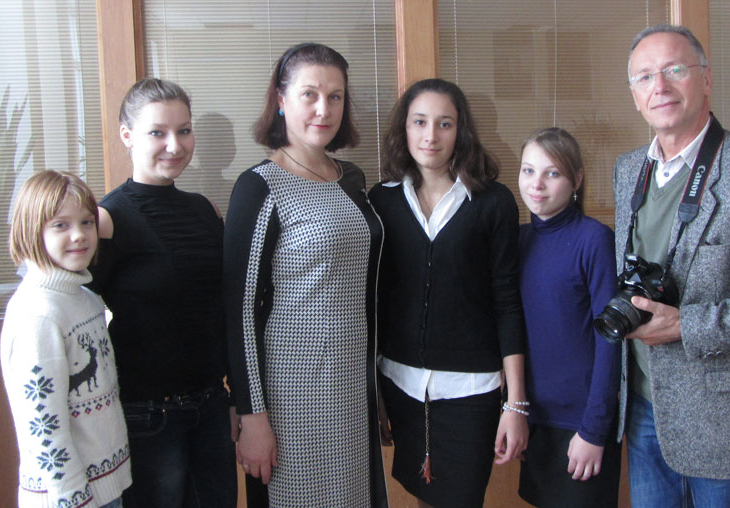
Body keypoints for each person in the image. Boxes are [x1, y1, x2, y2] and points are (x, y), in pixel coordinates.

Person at [613, 24, 730, 507]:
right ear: (634, 96)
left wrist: (686, 325)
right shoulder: (628, 170)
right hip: (644, 402)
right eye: (644, 77)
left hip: (724, 410)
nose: (660, 86)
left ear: (706, 79)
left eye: (675, 70)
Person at [223, 42, 388, 508]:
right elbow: (239, 311)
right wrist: (252, 415)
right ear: (281, 99)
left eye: (335, 96)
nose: (323, 109)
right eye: (309, 94)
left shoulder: (351, 178)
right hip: (291, 391)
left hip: (352, 386)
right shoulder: (260, 186)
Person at [370, 78, 528, 508]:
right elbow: (376, 302)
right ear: (404, 128)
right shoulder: (381, 201)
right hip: (401, 386)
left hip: (471, 391)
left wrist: (516, 404)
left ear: (461, 131)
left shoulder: (493, 202)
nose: (431, 135)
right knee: (422, 495)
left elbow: (507, 302)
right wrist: (375, 392)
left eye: (445, 123)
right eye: (419, 122)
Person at [87, 78, 237, 508]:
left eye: (184, 130)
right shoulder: (106, 219)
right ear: (127, 135)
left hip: (211, 406)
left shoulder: (204, 209)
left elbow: (223, 308)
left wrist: (235, 401)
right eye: (158, 132)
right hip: (147, 416)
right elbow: (75, 312)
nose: (175, 145)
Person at [1, 170, 132, 508]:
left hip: (105, 487)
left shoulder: (85, 299)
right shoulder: (38, 314)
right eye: (61, 225)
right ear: (32, 230)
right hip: (70, 497)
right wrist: (73, 497)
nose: (79, 235)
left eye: (87, 222)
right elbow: (43, 428)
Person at [515, 128, 621, 507]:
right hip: (533, 419)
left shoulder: (595, 239)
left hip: (581, 422)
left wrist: (593, 430)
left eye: (552, 173)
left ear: (576, 179)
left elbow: (611, 339)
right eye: (528, 171)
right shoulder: (517, 239)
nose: (537, 184)